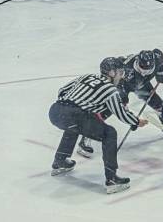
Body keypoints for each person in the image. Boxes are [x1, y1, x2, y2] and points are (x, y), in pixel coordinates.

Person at [49, 57, 147, 193]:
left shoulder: (87, 76)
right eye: (119, 72)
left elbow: (62, 90)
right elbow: (121, 114)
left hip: (55, 111)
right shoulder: (110, 89)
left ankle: (60, 161)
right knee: (109, 133)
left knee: (73, 127)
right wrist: (137, 121)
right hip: (74, 116)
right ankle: (112, 179)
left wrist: (76, 106)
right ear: (112, 73)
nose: (121, 75)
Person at [78, 48, 163, 158]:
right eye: (141, 67)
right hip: (124, 84)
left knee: (158, 104)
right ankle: (87, 137)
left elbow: (161, 66)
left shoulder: (157, 57)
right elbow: (121, 106)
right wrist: (132, 120)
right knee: (110, 107)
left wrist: (162, 73)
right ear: (137, 62)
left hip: (141, 83)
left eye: (148, 68)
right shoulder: (125, 72)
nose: (144, 71)